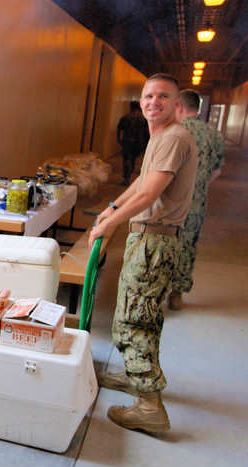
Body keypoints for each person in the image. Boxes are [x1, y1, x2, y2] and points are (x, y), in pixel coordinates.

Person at [90, 73, 198, 434]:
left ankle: (150, 406)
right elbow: (139, 182)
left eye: (163, 97)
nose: (154, 102)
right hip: (149, 238)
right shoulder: (161, 136)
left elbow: (150, 194)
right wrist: (111, 206)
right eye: (148, 96)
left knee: (133, 320)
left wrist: (110, 225)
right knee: (141, 314)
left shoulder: (174, 137)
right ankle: (139, 378)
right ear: (140, 101)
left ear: (177, 104)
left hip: (155, 241)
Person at [167, 89, 225, 310]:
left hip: (170, 203)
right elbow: (217, 170)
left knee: (163, 244)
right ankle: (176, 295)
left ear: (179, 106)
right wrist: (198, 186)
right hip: (197, 203)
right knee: (187, 245)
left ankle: (157, 292)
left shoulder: (173, 130)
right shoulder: (214, 134)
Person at [117, 100, 150, 184]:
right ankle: (130, 172)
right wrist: (146, 144)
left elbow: (119, 129)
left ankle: (126, 178)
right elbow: (147, 132)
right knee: (133, 159)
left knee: (127, 159)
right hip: (139, 142)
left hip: (127, 141)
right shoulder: (143, 119)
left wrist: (119, 139)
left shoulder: (125, 117)